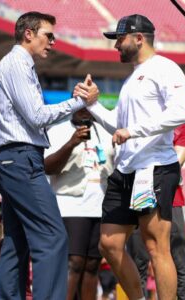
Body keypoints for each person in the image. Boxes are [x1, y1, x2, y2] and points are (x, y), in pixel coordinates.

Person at [74, 14, 185, 300]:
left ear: (139, 38)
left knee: (155, 247)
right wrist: (92, 104)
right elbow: (117, 124)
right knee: (108, 244)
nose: (116, 45)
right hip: (125, 171)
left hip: (153, 169)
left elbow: (179, 114)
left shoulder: (166, 69)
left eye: (120, 39)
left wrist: (133, 131)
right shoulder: (131, 80)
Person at [0, 11, 99, 300]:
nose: (53, 41)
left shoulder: (17, 64)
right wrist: (79, 102)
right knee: (53, 236)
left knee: (17, 241)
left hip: (14, 158)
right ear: (28, 34)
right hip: (21, 158)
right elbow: (38, 116)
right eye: (48, 35)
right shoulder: (17, 63)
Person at [44, 108, 115, 300]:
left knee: (92, 264)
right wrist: (72, 143)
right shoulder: (58, 130)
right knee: (74, 262)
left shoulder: (105, 131)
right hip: (70, 203)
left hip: (101, 204)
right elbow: (48, 167)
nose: (84, 111)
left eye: (89, 106)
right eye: (80, 106)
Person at [127, 123, 185, 300]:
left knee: (179, 262)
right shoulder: (136, 124)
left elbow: (174, 162)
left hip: (171, 201)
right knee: (138, 262)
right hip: (138, 198)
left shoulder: (182, 127)